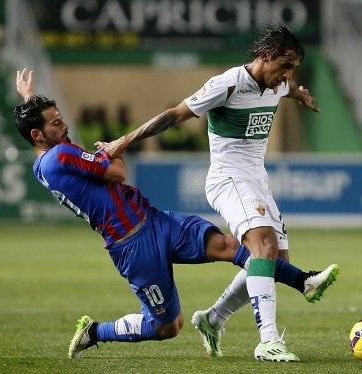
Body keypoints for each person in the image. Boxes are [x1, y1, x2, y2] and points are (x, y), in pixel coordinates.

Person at [13, 68, 338, 362]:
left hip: (156, 221)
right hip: (132, 245)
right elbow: (117, 171)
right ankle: (95, 332)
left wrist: (29, 100)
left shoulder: (46, 160)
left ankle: (303, 281)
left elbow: (61, 145)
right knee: (168, 326)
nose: (65, 125)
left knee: (234, 247)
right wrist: (114, 153)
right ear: (37, 135)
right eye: (55, 122)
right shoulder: (60, 156)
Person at [96, 25, 340, 362]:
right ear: (265, 56)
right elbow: (172, 115)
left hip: (257, 180)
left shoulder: (279, 82)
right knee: (264, 245)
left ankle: (213, 319)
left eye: (293, 68)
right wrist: (121, 142)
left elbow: (286, 87)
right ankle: (268, 340)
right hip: (229, 178)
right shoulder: (227, 84)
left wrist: (298, 92)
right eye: (285, 64)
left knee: (272, 262)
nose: (288, 74)